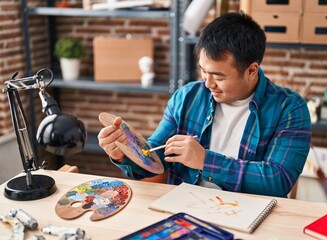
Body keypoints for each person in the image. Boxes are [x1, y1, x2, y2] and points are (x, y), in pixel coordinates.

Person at [98, 11, 311, 198]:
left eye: (218, 75)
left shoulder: (290, 109)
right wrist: (124, 153)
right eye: (203, 70)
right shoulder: (187, 98)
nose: (208, 83)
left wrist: (205, 160)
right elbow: (155, 160)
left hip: (249, 217)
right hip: (184, 212)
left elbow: (278, 180)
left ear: (251, 70)